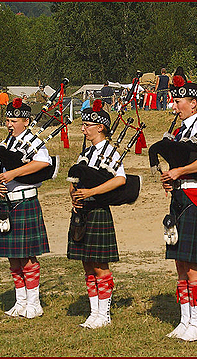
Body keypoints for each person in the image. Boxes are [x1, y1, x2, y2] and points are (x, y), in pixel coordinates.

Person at [159, 77, 197, 342]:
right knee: (180, 261)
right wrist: (171, 178)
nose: (175, 106)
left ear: (193, 103)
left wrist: (180, 171)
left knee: (193, 263)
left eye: (179, 101)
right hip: (180, 195)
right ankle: (185, 320)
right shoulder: (181, 130)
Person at [0, 98, 52, 319]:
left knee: (26, 256)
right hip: (6, 202)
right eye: (7, 119)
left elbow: (43, 164)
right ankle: (20, 301)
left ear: (26, 121)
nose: (9, 124)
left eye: (14, 120)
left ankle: (34, 304)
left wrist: (14, 173)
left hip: (25, 201)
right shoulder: (5, 143)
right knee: (12, 256)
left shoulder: (34, 142)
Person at [67, 99, 126, 329]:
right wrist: (73, 195)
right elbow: (73, 179)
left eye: (87, 125)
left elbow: (120, 179)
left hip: (99, 209)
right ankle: (94, 313)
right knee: (87, 264)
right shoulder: (86, 152)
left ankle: (105, 314)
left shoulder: (110, 152)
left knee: (100, 265)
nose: (83, 129)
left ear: (100, 127)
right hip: (82, 211)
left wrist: (91, 191)